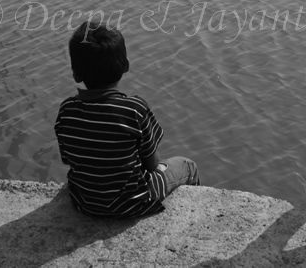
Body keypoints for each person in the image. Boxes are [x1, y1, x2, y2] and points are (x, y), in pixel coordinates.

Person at [54, 20, 199, 217]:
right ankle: (194, 216)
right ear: (126, 66)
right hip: (132, 203)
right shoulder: (134, 110)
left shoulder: (67, 110)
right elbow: (152, 165)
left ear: (75, 73)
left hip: (85, 202)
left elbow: (69, 159)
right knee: (187, 166)